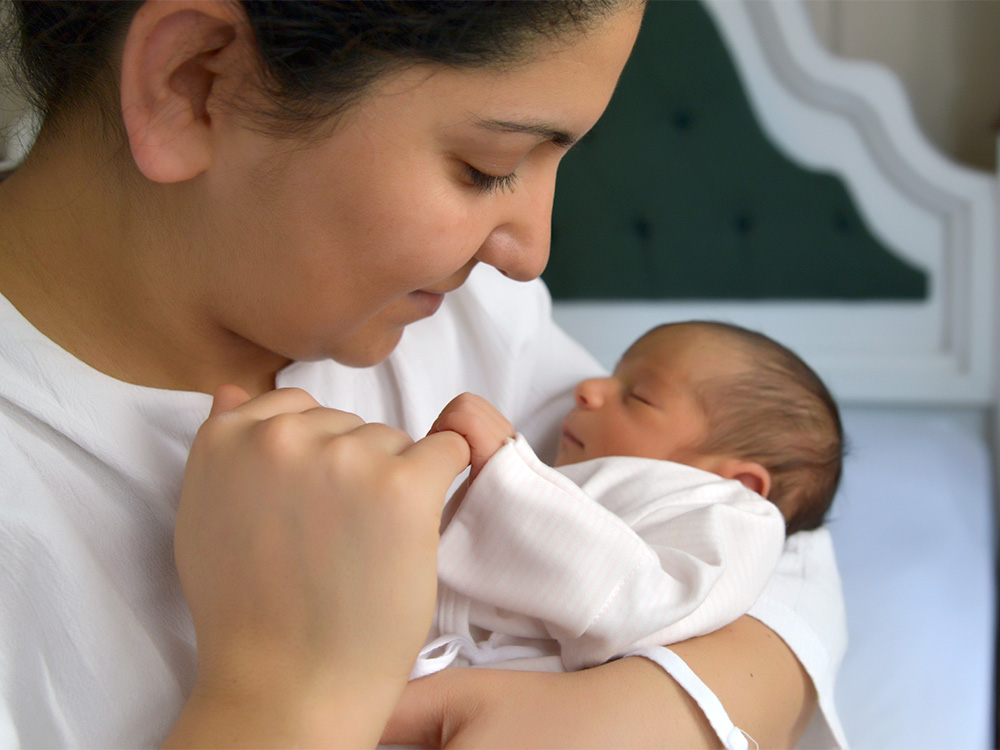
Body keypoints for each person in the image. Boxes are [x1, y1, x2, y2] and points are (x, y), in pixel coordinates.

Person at [0, 2, 846, 748]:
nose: (529, 254)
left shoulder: (456, 320)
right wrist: (282, 697)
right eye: (486, 166)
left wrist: (667, 713)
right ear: (195, 81)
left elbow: (764, 529)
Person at [410, 320, 842, 687]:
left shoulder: (739, 518)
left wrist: (509, 477)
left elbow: (643, 606)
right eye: (614, 375)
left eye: (638, 396)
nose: (588, 388)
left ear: (738, 482)